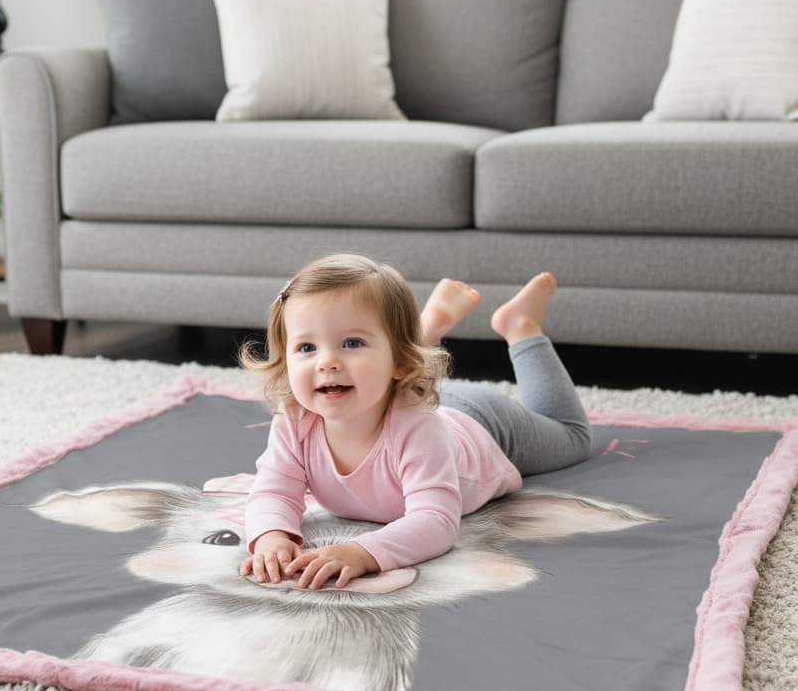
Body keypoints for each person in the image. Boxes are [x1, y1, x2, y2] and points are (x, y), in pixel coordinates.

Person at [239, 253, 593, 590]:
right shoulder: (295, 419)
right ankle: (429, 328)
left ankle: (521, 327)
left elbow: (436, 521)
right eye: (306, 348)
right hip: (399, 389)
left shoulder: (419, 429)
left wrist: (363, 552)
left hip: (486, 425)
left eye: (351, 342)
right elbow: (273, 489)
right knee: (394, 375)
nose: (326, 362)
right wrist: (271, 534)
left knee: (572, 436)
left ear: (400, 363)